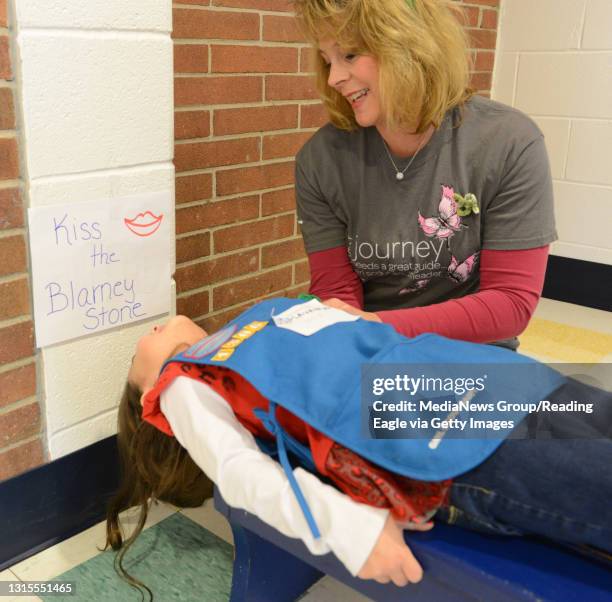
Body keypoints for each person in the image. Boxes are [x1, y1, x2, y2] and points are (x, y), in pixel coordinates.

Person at [105, 301, 612, 599]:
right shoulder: (184, 383)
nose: (149, 330)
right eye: (136, 355)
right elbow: (240, 473)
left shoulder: (253, 323)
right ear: (150, 396)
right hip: (451, 436)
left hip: (493, 380)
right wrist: (351, 531)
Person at [292, 0, 557, 350]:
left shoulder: (510, 142)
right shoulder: (321, 159)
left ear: (410, 44)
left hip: (473, 348)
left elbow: (510, 303)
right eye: (328, 60)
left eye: (350, 55)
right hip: (369, 345)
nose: (334, 78)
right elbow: (337, 291)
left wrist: (378, 324)